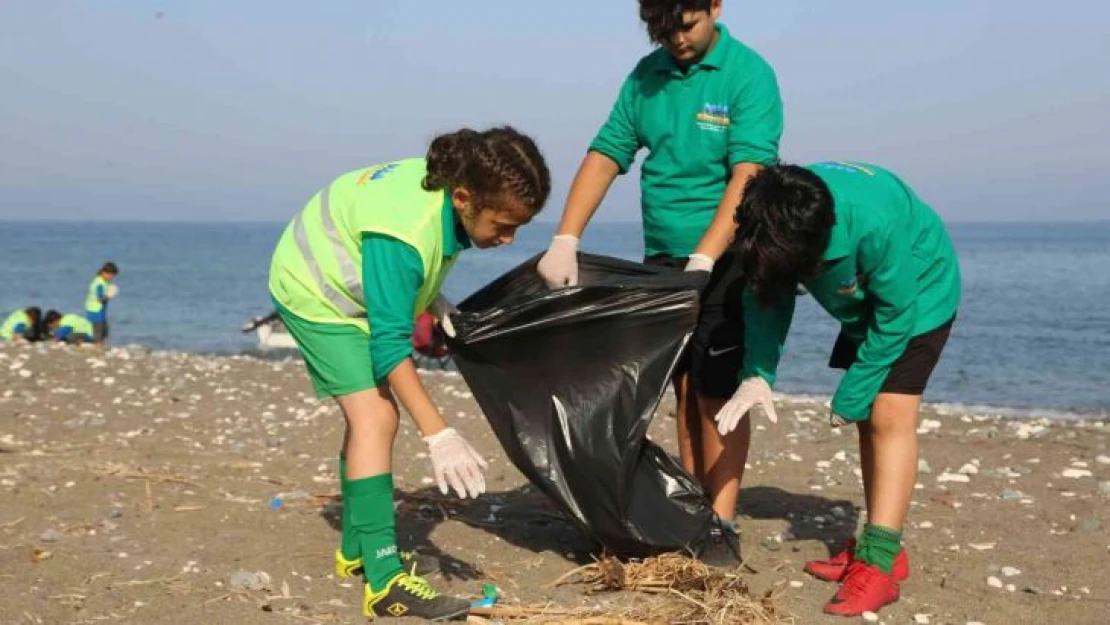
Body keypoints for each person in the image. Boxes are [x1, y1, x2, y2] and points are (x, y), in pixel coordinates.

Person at [268, 126, 551, 621]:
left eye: (519, 228)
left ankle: (356, 550)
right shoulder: (407, 231)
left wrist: (429, 298)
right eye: (503, 225)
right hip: (314, 291)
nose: (508, 238)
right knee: (377, 418)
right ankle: (383, 583)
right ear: (464, 198)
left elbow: (400, 275)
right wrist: (438, 432)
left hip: (357, 281)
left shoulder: (452, 190)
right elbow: (389, 346)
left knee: (370, 420)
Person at [535, 0, 783, 558]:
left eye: (686, 25)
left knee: (718, 394)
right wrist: (566, 237)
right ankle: (691, 506)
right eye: (662, 30)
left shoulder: (748, 75)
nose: (675, 40)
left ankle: (721, 522)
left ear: (716, 5)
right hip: (664, 259)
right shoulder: (648, 75)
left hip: (731, 255)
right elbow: (607, 153)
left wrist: (706, 257)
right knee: (683, 388)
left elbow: (749, 175)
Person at [715, 161, 961, 616]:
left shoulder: (873, 225)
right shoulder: (771, 214)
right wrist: (757, 374)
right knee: (869, 419)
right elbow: (767, 296)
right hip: (863, 301)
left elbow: (896, 314)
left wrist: (853, 390)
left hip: (918, 295)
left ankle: (880, 566)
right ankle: (880, 548)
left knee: (888, 414)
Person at [85, 262, 119, 344]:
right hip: (95, 312)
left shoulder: (103, 282)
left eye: (113, 275)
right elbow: (100, 298)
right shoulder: (99, 283)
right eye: (111, 275)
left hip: (100, 312)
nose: (112, 277)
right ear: (104, 273)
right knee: (98, 335)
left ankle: (100, 348)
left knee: (105, 332)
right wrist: (110, 295)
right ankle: (97, 350)